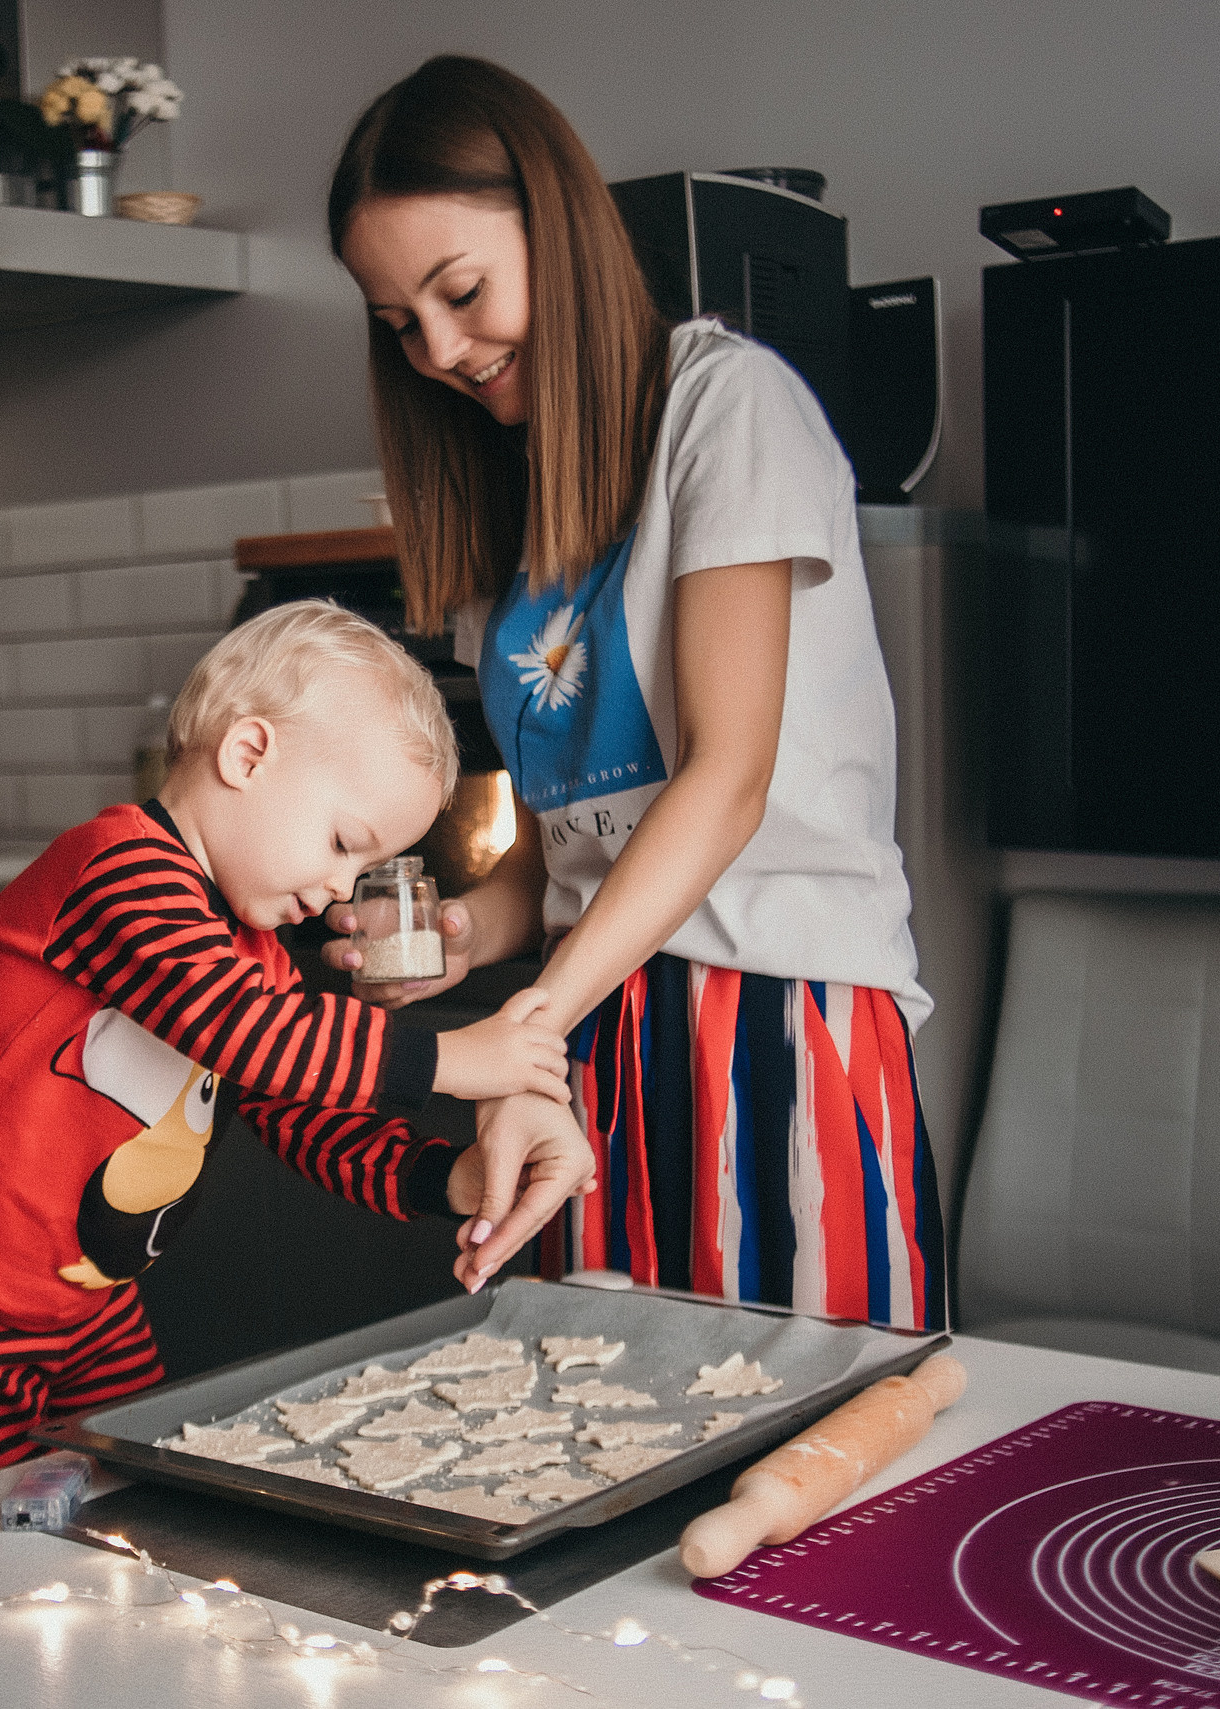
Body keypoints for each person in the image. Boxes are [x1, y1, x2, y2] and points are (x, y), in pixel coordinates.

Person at [318, 56, 947, 1329]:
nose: (439, 351)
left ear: (552, 223)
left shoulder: (728, 409)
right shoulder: (518, 495)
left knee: (819, 1428)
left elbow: (725, 778)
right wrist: (466, 937)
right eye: (399, 325)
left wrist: (539, 1005)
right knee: (606, 1416)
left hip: (775, 996)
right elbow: (575, 840)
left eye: (460, 292)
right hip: (599, 1017)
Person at [0, 600, 590, 1491]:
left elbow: (305, 1110)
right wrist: (455, 1058)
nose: (339, 887)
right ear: (247, 754)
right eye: (343, 843)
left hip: (89, 1301)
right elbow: (249, 1032)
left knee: (126, 1500)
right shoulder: (118, 868)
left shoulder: (252, 949)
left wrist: (445, 1176)